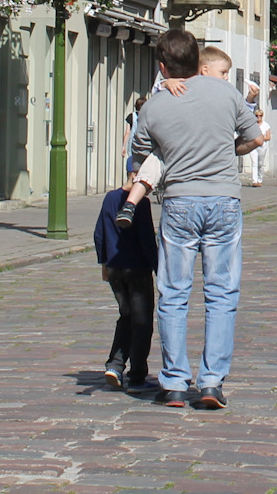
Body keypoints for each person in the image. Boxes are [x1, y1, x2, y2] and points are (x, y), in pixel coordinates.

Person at [120, 30, 266, 410]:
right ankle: (211, 383)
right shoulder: (227, 94)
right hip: (223, 200)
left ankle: (172, 382)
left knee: (173, 293)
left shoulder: (155, 104)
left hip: (180, 202)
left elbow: (139, 159)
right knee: (221, 293)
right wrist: (226, 149)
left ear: (163, 66)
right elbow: (254, 138)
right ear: (198, 59)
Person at [94, 162, 159, 392]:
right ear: (137, 175)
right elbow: (147, 240)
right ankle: (138, 373)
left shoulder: (110, 198)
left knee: (126, 315)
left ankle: (115, 365)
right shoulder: (140, 204)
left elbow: (99, 233)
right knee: (142, 322)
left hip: (115, 270)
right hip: (137, 270)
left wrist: (103, 262)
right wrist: (160, 269)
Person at [246, 106, 270, 187]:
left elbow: (268, 137)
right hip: (253, 146)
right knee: (254, 163)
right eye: (256, 116)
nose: (258, 117)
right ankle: (254, 181)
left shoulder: (266, 125)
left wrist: (262, 138)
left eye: (260, 116)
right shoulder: (252, 125)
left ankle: (260, 179)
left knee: (260, 163)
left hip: (262, 146)